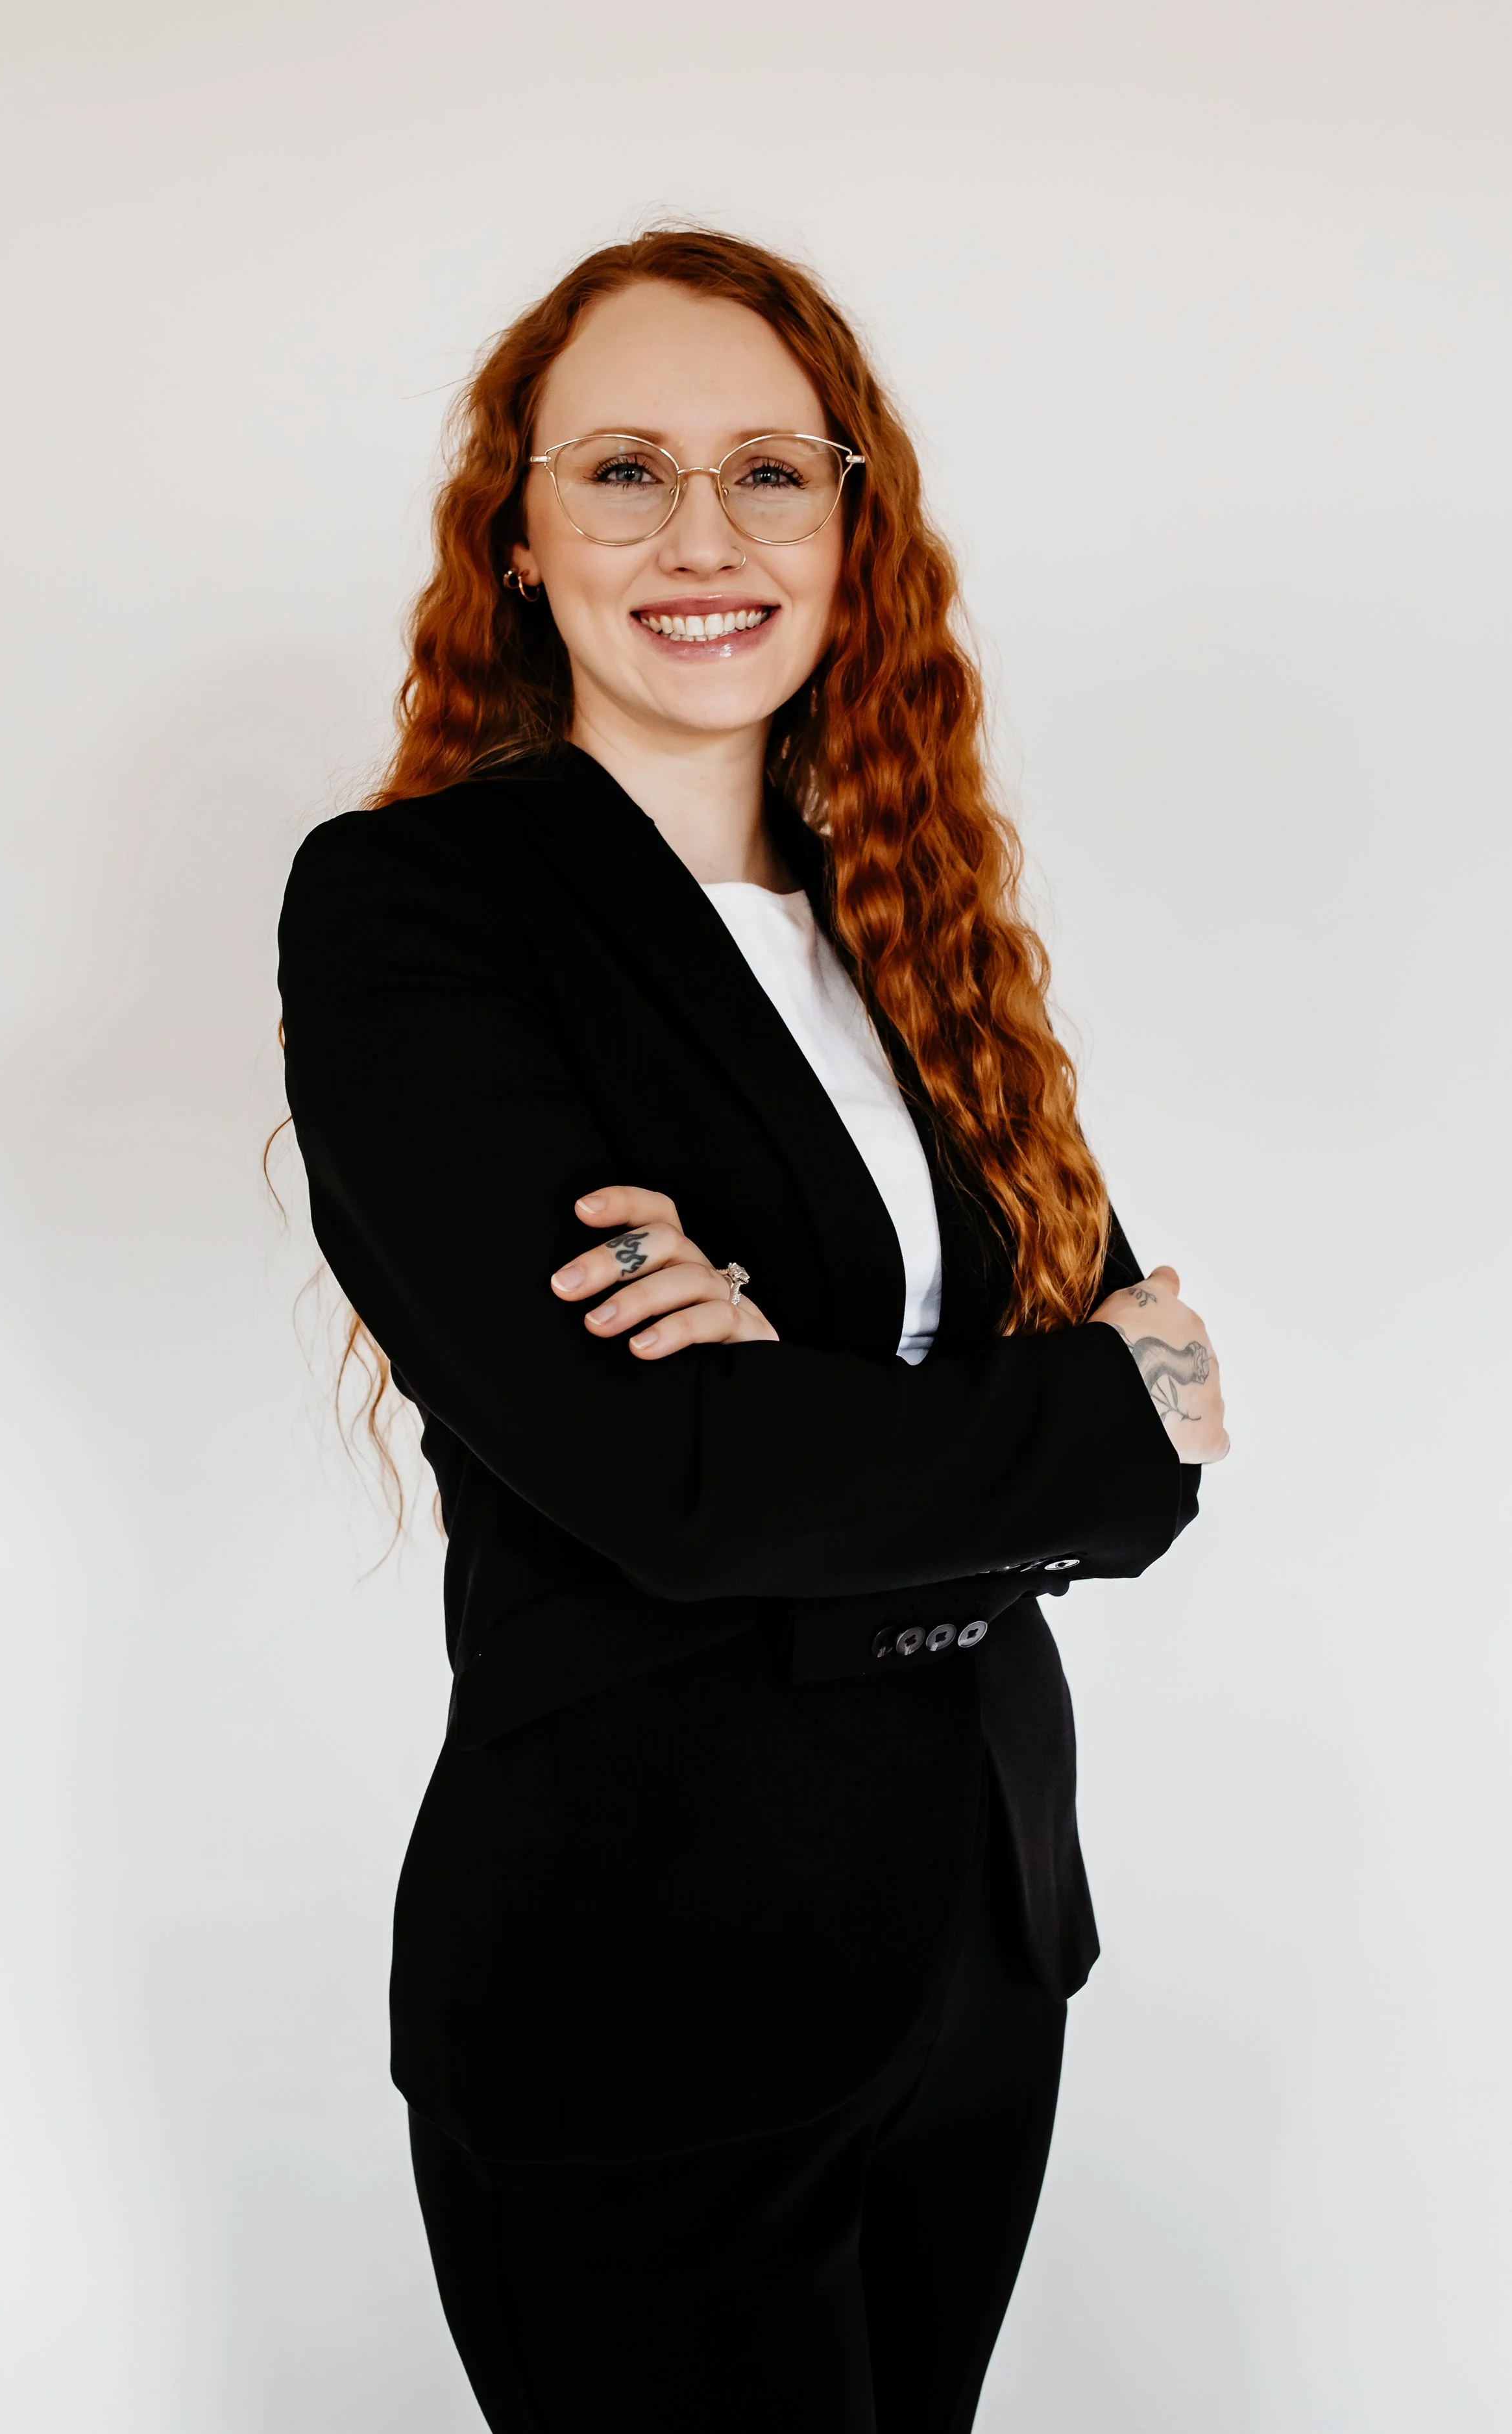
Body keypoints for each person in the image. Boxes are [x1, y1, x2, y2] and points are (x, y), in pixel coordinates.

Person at [276, 226, 1226, 2434]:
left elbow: (1151, 1459)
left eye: (767, 473)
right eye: (622, 469)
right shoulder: (420, 909)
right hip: (642, 1966)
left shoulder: (912, 923)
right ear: (516, 538)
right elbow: (675, 1488)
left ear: (847, 519)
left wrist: (833, 1395)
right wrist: (1049, 1421)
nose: (700, 536)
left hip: (977, 1933)